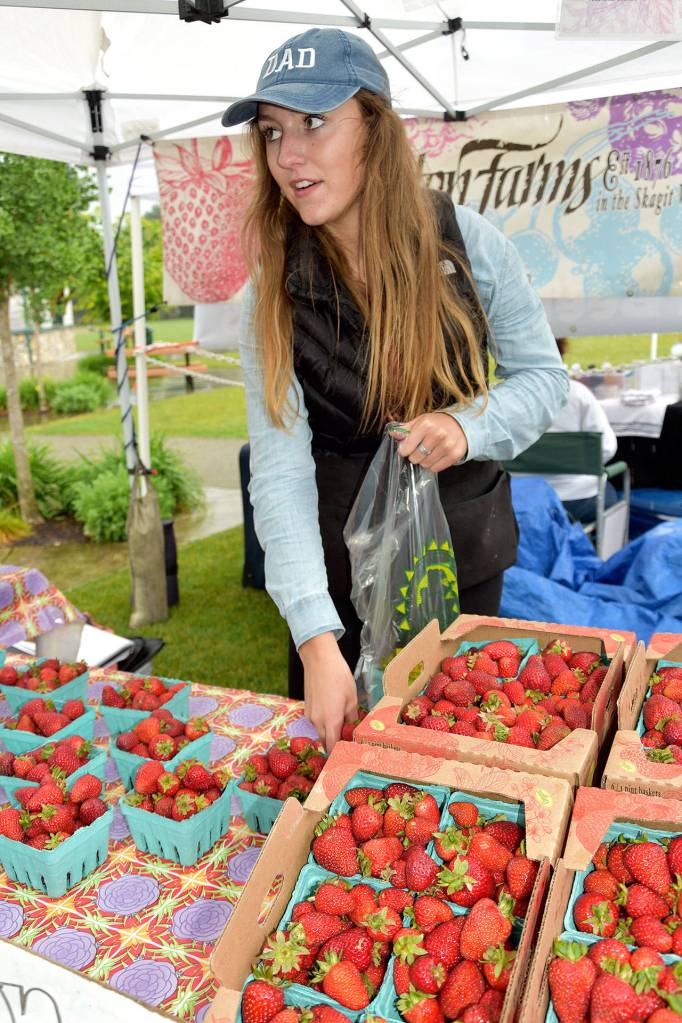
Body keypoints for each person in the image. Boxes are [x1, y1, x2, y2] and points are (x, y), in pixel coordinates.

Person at [223, 27, 568, 751]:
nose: (289, 156)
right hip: (338, 591)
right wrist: (317, 638)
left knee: (461, 762)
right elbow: (281, 471)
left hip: (463, 567)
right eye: (273, 131)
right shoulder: (274, 291)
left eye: (314, 122)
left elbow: (542, 380)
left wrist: (471, 425)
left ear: (375, 128)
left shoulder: (468, 244)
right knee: (344, 788)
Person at [544, 338, 618, 523]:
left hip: (521, 498)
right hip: (576, 499)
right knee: (613, 493)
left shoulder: (506, 398)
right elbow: (607, 447)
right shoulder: (578, 393)